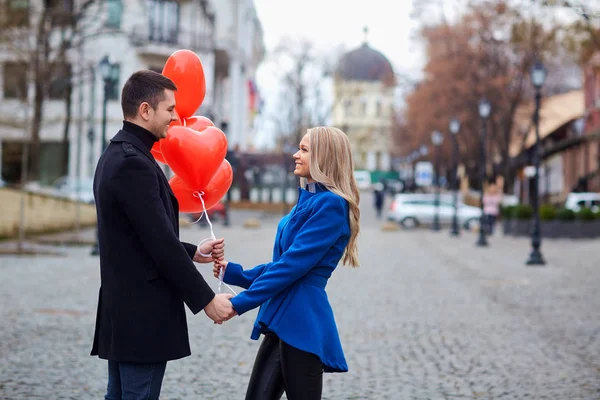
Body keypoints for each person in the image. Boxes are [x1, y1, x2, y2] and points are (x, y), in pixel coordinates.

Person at [91, 70, 235, 400]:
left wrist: (192, 252)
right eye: (169, 109)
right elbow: (157, 242)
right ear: (145, 110)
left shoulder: (118, 153)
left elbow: (139, 235)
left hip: (125, 312)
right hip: (142, 316)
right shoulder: (133, 163)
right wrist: (207, 301)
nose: (175, 117)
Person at [214, 126, 361, 400]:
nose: (296, 154)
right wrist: (233, 272)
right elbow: (282, 265)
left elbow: (291, 268)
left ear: (323, 157)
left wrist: (238, 303)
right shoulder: (309, 201)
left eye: (304, 149)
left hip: (302, 323)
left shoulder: (330, 206)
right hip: (283, 319)